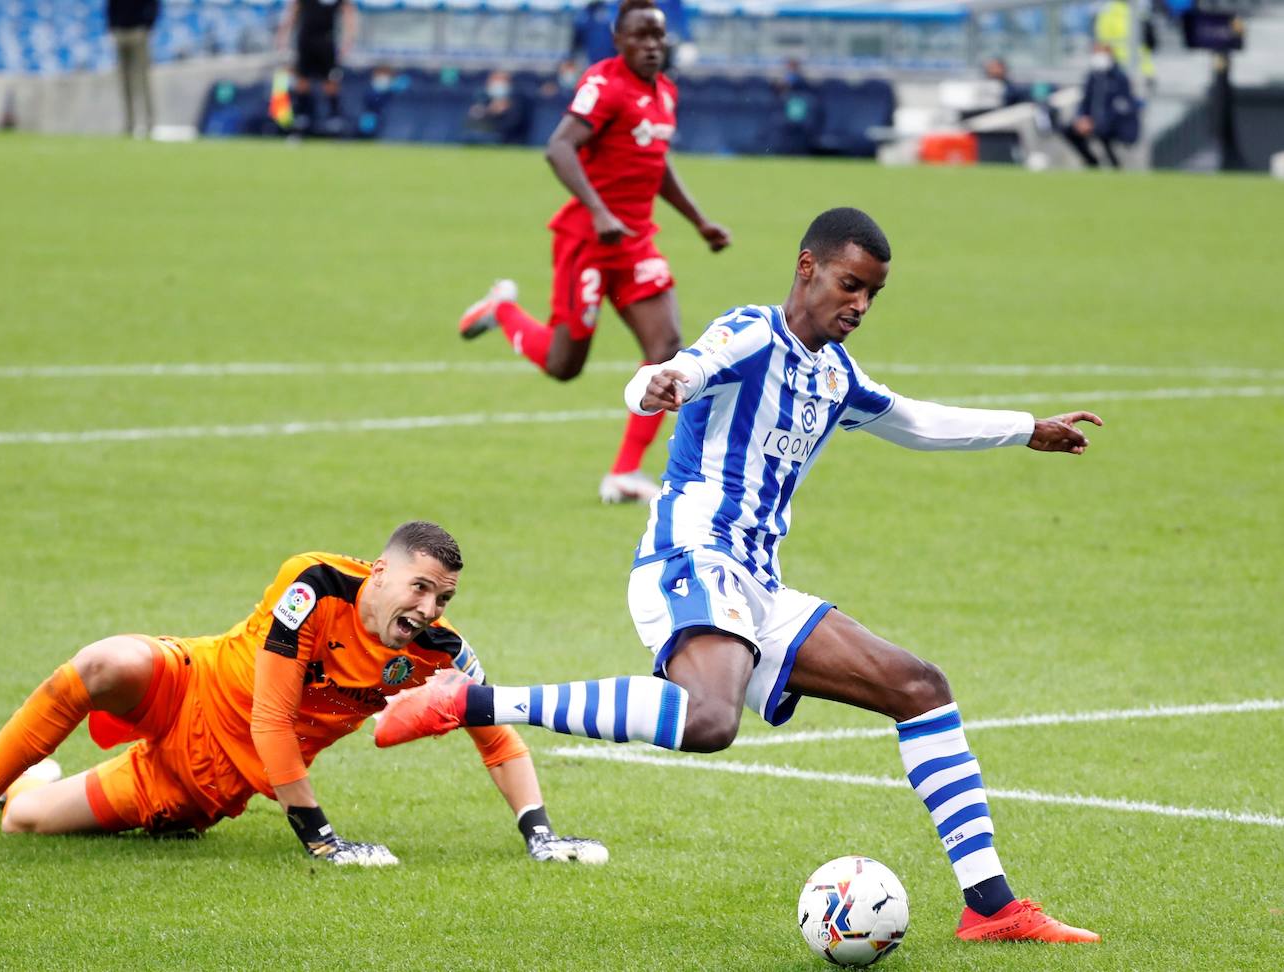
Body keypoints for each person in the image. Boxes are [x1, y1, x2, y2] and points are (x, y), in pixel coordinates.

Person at [380, 209, 1104, 943]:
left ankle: (991, 906)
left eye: (872, 295)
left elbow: (914, 421)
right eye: (850, 285)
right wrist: (659, 385)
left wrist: (1025, 428)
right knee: (710, 720)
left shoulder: (835, 376)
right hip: (691, 558)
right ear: (807, 268)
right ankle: (469, 701)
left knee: (920, 688)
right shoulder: (753, 332)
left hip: (758, 586)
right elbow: (684, 368)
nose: (859, 305)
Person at [0, 522, 606, 866]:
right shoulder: (316, 582)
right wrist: (324, 841)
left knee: (27, 822)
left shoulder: (440, 654)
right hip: (192, 683)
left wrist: (538, 832)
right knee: (104, 663)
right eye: (419, 587)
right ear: (379, 572)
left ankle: (20, 782)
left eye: (443, 596)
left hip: (205, 780)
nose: (428, 607)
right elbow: (271, 715)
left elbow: (496, 733)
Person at [457, 0, 731, 505]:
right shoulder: (604, 85)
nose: (652, 46)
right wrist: (601, 211)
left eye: (658, 37)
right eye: (641, 37)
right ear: (618, 40)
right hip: (588, 240)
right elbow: (558, 147)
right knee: (565, 364)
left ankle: (625, 473)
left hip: (635, 244)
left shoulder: (665, 92)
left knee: (667, 345)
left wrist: (699, 221)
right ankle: (504, 309)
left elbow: (656, 163)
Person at [276, 0, 358, 135]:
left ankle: (334, 119)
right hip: (305, 41)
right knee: (302, 80)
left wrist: (348, 40)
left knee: (331, 82)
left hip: (327, 42)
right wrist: (283, 38)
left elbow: (349, 14)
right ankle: (301, 117)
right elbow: (291, 13)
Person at [1061, 43, 1140, 168]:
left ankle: (1115, 164)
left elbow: (1122, 107)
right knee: (1067, 129)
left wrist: (1096, 122)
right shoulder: (1093, 77)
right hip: (1093, 123)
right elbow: (1085, 102)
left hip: (1115, 125)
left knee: (1103, 130)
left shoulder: (1120, 78)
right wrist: (1081, 118)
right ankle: (1092, 162)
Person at [107, 0, 160, 137]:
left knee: (143, 81)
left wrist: (147, 25)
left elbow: (153, 4)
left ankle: (149, 123)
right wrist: (112, 26)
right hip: (121, 32)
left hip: (138, 31)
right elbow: (111, 5)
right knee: (124, 82)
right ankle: (129, 124)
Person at [464, 69, 531, 146]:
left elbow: (515, 123)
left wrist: (504, 111)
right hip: (486, 133)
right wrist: (488, 111)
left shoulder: (518, 99)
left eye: (500, 80)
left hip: (509, 138)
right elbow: (472, 120)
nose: (496, 84)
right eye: (493, 80)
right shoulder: (484, 98)